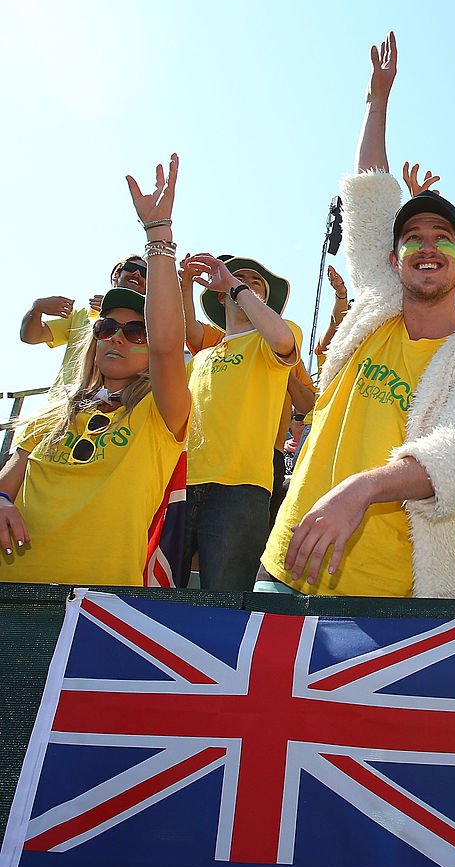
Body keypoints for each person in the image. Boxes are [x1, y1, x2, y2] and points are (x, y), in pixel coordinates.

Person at [258, 32, 455, 597]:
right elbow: (371, 197)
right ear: (392, 257)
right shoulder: (375, 308)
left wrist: (359, 490)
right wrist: (378, 102)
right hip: (291, 561)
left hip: (395, 594)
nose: (427, 247)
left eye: (443, 238)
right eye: (413, 238)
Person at [0, 156, 191, 585]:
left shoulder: (161, 416)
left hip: (96, 606)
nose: (117, 337)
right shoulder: (56, 409)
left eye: (134, 331)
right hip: (12, 588)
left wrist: (158, 235)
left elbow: (165, 346)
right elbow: (15, 469)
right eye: (107, 327)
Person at [177, 253, 299, 590]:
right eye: (236, 281)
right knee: (162, 592)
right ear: (220, 296)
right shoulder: (201, 357)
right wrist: (185, 284)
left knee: (228, 596)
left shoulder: (270, 340)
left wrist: (235, 285)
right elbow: (186, 331)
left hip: (241, 488)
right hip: (181, 485)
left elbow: (283, 342)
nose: (244, 287)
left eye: (253, 284)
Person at [21, 256, 149, 400]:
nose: (137, 274)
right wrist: (37, 308)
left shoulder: (152, 327)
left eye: (145, 272)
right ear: (116, 275)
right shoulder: (82, 315)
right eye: (131, 268)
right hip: (64, 408)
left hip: (117, 411)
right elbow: (31, 336)